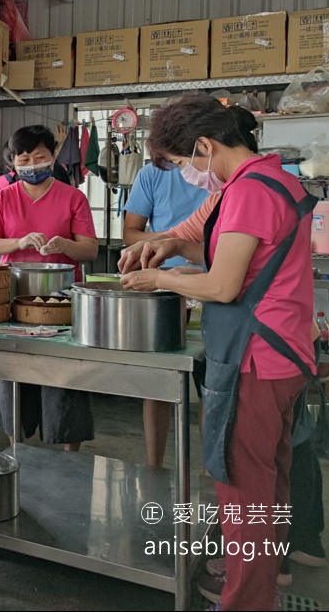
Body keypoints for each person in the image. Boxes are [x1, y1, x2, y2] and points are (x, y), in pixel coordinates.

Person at [120, 94, 316, 611]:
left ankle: (246, 601)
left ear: (205, 146)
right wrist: (167, 245)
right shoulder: (267, 178)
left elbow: (225, 284)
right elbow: (203, 238)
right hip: (285, 355)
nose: (188, 174)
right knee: (267, 485)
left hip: (256, 357)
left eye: (185, 163)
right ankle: (261, 582)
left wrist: (159, 276)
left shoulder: (248, 191)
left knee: (243, 492)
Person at [0, 125, 98, 452]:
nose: (32, 164)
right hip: (13, 300)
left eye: (39, 156)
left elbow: (90, 250)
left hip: (62, 302)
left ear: (53, 156)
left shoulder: (73, 197)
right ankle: (19, 453)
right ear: (12, 163)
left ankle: (73, 459)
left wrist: (66, 246)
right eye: (24, 158)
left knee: (65, 380)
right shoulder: (2, 198)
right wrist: (19, 241)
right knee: (14, 378)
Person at [122, 161, 208, 468]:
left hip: (211, 287)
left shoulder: (224, 181)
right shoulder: (152, 174)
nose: (181, 166)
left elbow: (222, 265)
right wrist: (163, 247)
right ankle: (153, 466)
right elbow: (132, 232)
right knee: (157, 382)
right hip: (163, 293)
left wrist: (179, 251)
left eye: (181, 158)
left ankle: (212, 475)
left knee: (211, 388)